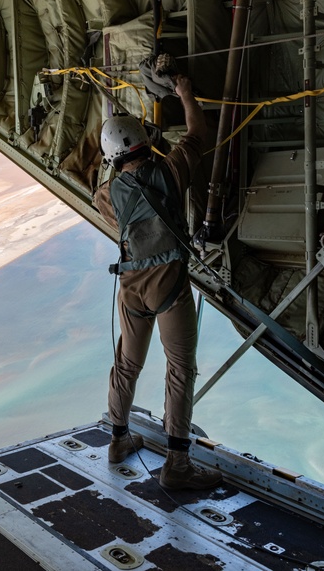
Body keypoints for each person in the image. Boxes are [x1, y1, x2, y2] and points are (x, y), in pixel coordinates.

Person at [94, 75, 222, 490]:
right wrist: (185, 92)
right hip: (170, 286)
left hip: (132, 289)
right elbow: (199, 133)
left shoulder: (106, 194)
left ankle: (117, 440)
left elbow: (113, 200)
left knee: (127, 366)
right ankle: (177, 464)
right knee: (181, 369)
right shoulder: (171, 169)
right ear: (145, 142)